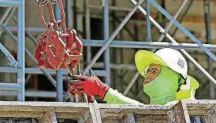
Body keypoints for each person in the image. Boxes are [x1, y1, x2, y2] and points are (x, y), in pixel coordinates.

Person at [67, 48, 199, 105]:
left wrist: (102, 90)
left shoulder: (177, 107)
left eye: (153, 71)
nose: (147, 75)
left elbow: (141, 111)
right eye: (148, 71)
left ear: (169, 78)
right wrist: (90, 99)